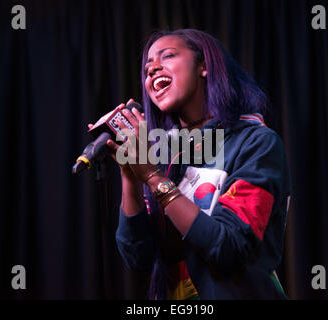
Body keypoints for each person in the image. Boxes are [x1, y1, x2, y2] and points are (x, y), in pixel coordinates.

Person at [94, 29, 291, 300]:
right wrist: (131, 171)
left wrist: (152, 176)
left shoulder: (256, 142)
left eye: (168, 56)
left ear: (204, 67)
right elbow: (137, 256)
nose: (152, 70)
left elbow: (228, 246)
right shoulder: (166, 152)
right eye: (147, 67)